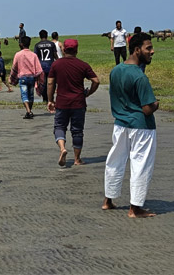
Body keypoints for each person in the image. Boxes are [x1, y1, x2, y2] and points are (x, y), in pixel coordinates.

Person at [103, 31, 159, 218]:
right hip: (141, 127)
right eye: (148, 48)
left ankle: (108, 199)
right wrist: (156, 104)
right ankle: (135, 208)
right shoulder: (140, 77)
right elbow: (147, 109)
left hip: (120, 124)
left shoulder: (116, 70)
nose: (152, 51)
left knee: (115, 162)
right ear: (137, 50)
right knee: (140, 165)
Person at [46, 38, 99, 167]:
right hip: (78, 103)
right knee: (77, 131)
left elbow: (50, 82)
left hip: (62, 102)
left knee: (59, 127)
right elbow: (96, 81)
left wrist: (50, 100)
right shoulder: (83, 65)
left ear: (64, 49)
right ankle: (77, 159)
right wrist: (88, 93)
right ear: (76, 50)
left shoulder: (56, 65)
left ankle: (62, 148)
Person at [11, 36, 40, 119]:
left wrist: (12, 78)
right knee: (31, 95)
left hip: (22, 78)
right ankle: (29, 111)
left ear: (21, 44)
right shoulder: (34, 55)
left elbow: (14, 67)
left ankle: (28, 111)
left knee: (24, 95)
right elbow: (38, 69)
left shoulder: (18, 54)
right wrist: (38, 79)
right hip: (31, 77)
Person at [33, 29, 58, 103]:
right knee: (52, 82)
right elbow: (55, 55)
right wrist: (59, 61)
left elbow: (36, 57)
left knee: (43, 82)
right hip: (51, 65)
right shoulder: (51, 44)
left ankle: (45, 98)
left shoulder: (37, 45)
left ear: (40, 36)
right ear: (47, 36)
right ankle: (51, 97)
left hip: (41, 66)